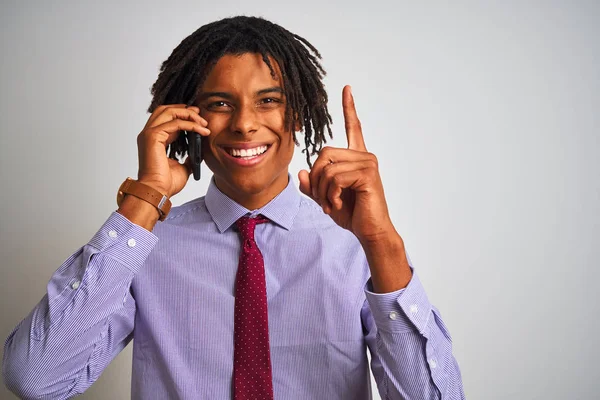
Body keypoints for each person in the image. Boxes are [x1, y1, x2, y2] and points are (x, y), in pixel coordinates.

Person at [2, 16, 465, 400]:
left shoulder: (357, 249)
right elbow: (37, 379)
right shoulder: (141, 247)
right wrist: (145, 197)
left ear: (298, 115)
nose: (245, 124)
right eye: (221, 104)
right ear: (190, 120)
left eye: (269, 101)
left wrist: (381, 241)